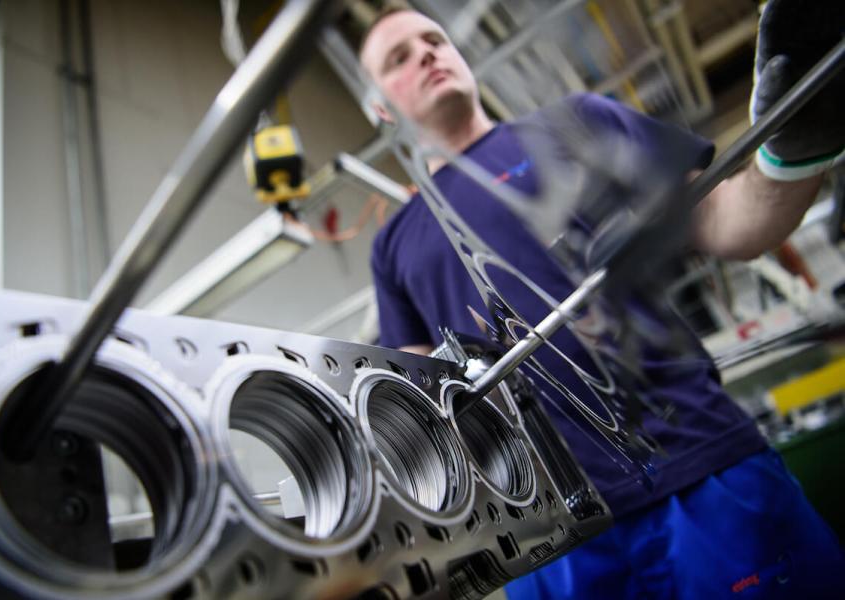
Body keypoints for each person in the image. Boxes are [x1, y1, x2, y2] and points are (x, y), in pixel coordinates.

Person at [359, 4, 844, 599]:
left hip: (699, 470)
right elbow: (414, 409)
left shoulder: (576, 125)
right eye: (399, 59)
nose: (427, 54)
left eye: (434, 39)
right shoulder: (394, 245)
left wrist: (789, 151)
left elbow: (729, 222)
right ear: (382, 109)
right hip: (546, 537)